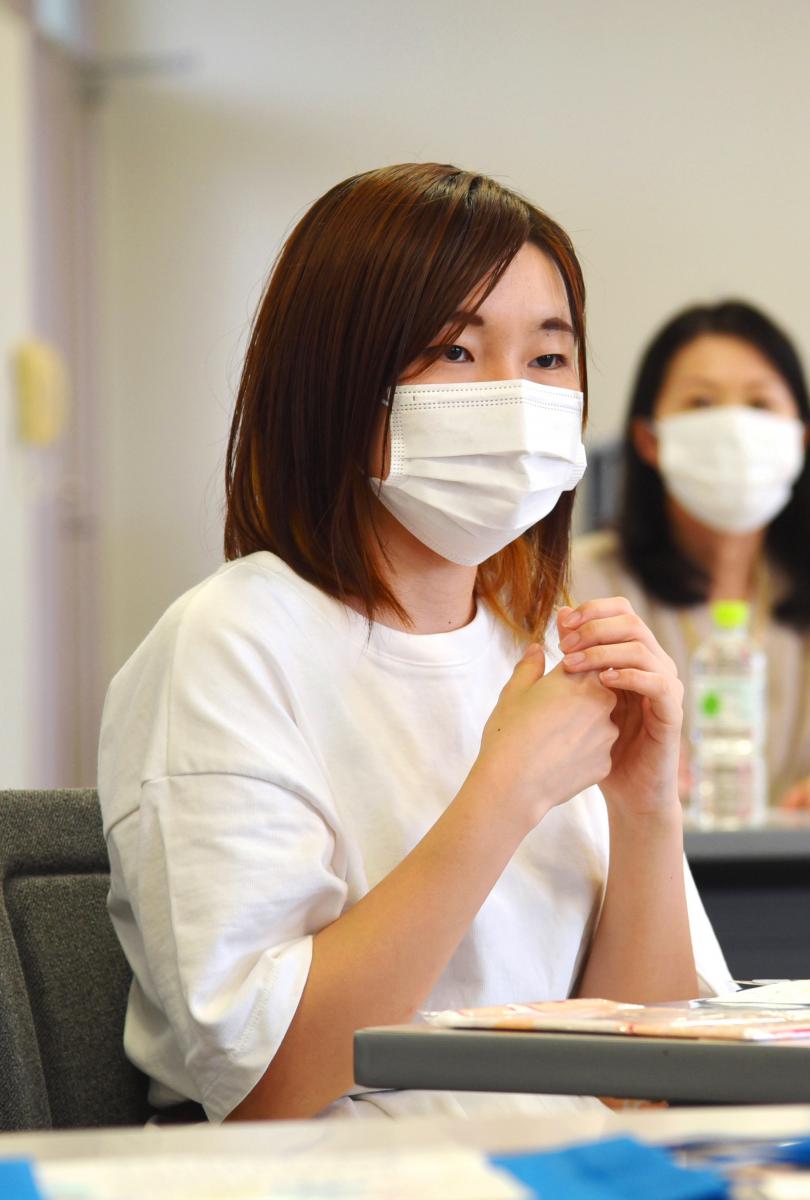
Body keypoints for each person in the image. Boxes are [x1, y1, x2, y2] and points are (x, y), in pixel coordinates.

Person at [98, 163, 730, 1125]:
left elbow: (638, 1082)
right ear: (336, 379)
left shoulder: (550, 652)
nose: (514, 395)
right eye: (456, 351)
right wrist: (504, 794)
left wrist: (646, 813)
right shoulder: (229, 646)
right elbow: (268, 1087)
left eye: (548, 359)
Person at [572, 301, 810, 808]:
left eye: (760, 403)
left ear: (801, 439)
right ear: (648, 439)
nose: (735, 429)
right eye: (701, 402)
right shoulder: (578, 584)